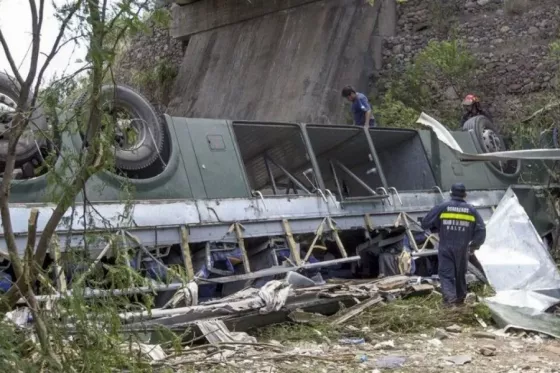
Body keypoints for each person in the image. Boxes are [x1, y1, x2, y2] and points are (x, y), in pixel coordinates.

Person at [421, 183, 486, 307]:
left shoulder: (442, 207)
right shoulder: (471, 210)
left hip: (446, 246)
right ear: (465, 195)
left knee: (446, 274)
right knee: (460, 274)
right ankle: (460, 299)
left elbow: (425, 223)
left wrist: (437, 226)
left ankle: (450, 301)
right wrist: (474, 246)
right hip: (463, 248)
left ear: (450, 193)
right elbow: (481, 229)